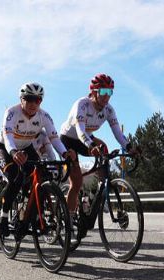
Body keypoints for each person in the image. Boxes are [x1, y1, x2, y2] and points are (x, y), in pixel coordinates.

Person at [60, 73, 137, 233]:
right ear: (94, 92)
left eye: (110, 92)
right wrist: (91, 145)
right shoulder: (82, 105)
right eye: (103, 92)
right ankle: (69, 218)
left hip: (87, 138)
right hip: (69, 139)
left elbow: (117, 133)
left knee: (105, 150)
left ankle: (103, 191)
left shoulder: (109, 110)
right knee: (76, 182)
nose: (106, 96)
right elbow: (81, 131)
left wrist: (129, 147)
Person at [0, 82, 76, 236]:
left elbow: (54, 138)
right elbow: (7, 136)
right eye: (29, 98)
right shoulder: (12, 113)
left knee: (42, 176)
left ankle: (32, 215)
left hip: (26, 147)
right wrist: (13, 152)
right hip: (5, 148)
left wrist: (65, 154)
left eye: (37, 100)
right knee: (15, 178)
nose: (33, 103)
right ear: (21, 99)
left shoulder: (44, 116)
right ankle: (3, 217)